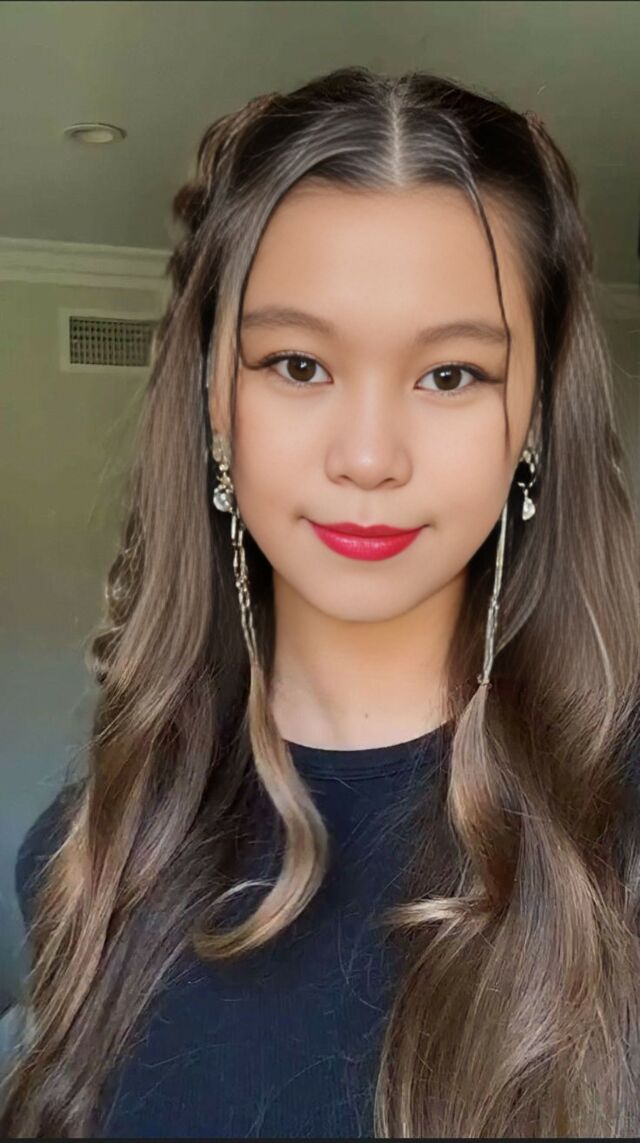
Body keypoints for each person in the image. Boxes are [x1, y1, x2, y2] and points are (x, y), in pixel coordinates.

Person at [2, 64, 640, 1138]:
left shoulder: (617, 843)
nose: (369, 456)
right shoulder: (91, 857)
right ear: (215, 398)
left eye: (451, 375)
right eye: (297, 364)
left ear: (535, 417)